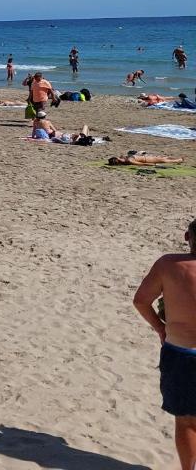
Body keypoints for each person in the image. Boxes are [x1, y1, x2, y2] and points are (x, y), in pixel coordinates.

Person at [134, 219, 196, 470]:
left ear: (187, 236)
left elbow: (140, 301)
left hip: (180, 353)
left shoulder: (168, 265)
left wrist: (160, 328)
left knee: (187, 422)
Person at [111, 151, 184, 166]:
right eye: (118, 159)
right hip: (149, 160)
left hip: (147, 157)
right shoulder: (130, 160)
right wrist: (153, 165)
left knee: (164, 157)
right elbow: (142, 164)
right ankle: (179, 160)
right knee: (165, 160)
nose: (119, 157)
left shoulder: (123, 158)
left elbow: (121, 156)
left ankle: (178, 159)